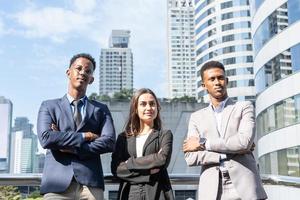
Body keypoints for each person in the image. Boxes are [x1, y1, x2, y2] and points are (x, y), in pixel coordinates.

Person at [183, 61, 267, 200]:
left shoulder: (244, 107)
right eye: (212, 79)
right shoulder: (196, 117)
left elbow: (244, 143)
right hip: (212, 189)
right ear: (204, 85)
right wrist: (228, 153)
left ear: (226, 81)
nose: (217, 82)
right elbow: (190, 157)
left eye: (220, 78)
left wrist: (204, 143)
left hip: (246, 186)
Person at [37, 53, 116, 200]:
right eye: (78, 68)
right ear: (68, 72)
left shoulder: (101, 109)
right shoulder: (49, 106)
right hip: (57, 185)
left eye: (88, 71)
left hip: (90, 185)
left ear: (91, 79)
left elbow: (109, 142)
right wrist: (85, 136)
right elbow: (46, 138)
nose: (82, 73)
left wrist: (68, 145)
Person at [111, 88, 174, 200]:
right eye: (143, 104)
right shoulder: (123, 138)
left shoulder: (165, 135)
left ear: (157, 108)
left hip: (157, 192)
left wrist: (129, 163)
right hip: (130, 193)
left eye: (152, 104)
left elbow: (162, 160)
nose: (148, 108)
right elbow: (116, 169)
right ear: (135, 108)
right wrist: (149, 172)